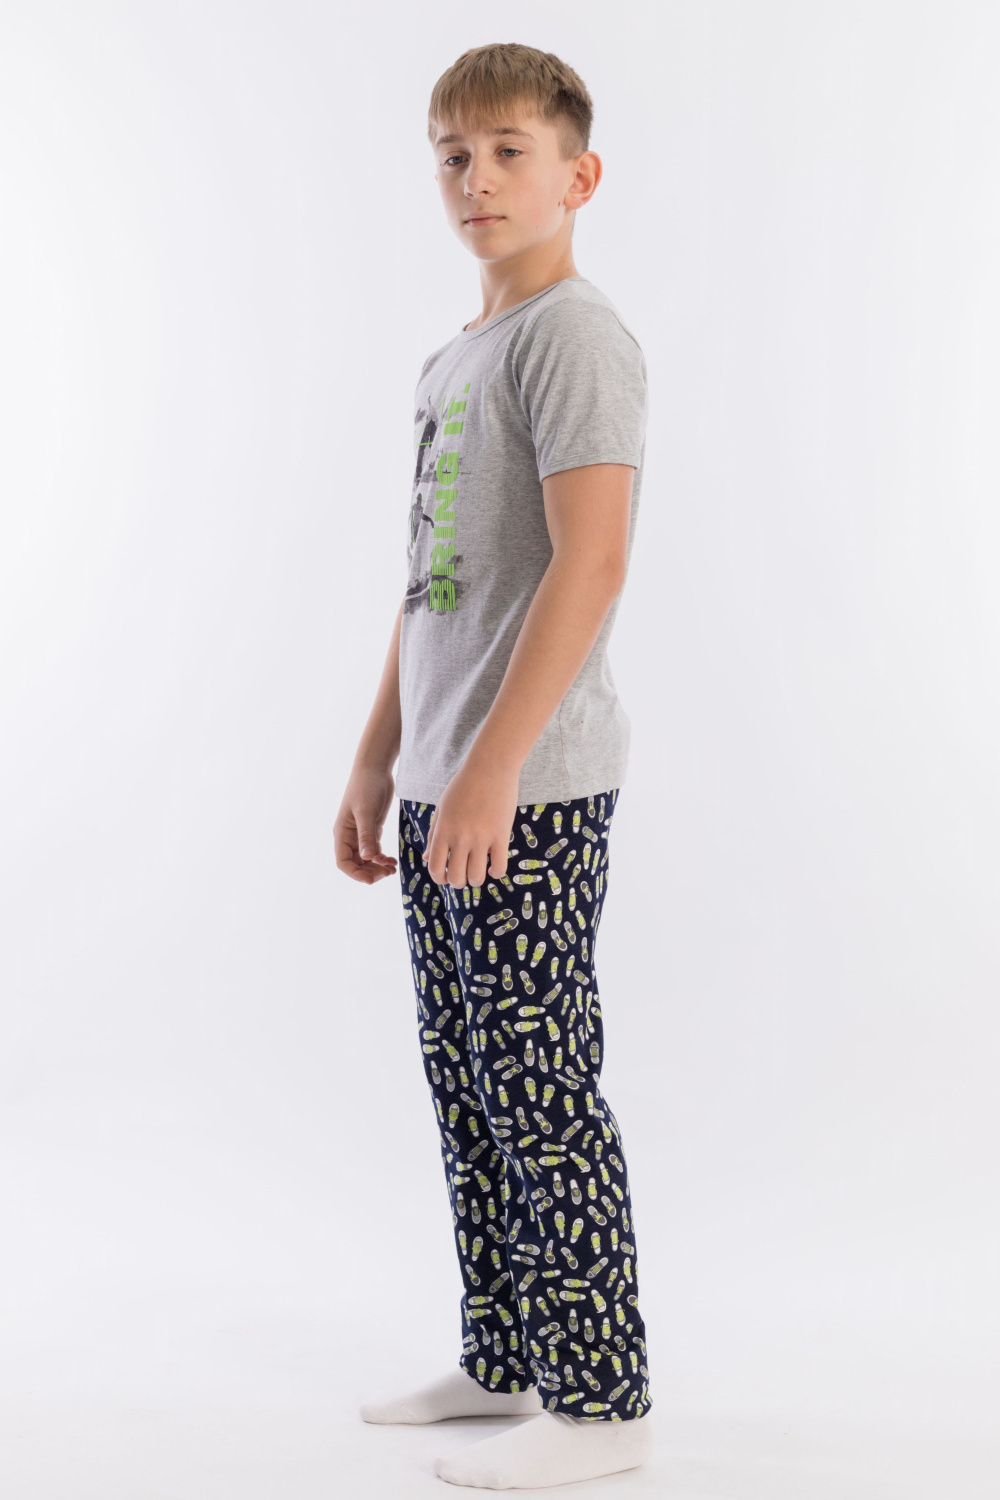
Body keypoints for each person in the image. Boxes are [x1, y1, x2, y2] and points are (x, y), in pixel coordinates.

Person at [333, 42, 654, 1490]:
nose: (477, 178)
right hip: (443, 780)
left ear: (579, 176)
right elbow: (430, 586)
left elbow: (593, 564)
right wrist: (381, 756)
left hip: (530, 789)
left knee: (539, 1083)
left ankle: (602, 1403)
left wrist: (492, 769)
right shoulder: (453, 357)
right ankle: (506, 1354)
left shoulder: (573, 338)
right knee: (467, 1083)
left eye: (511, 151)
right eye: (454, 155)